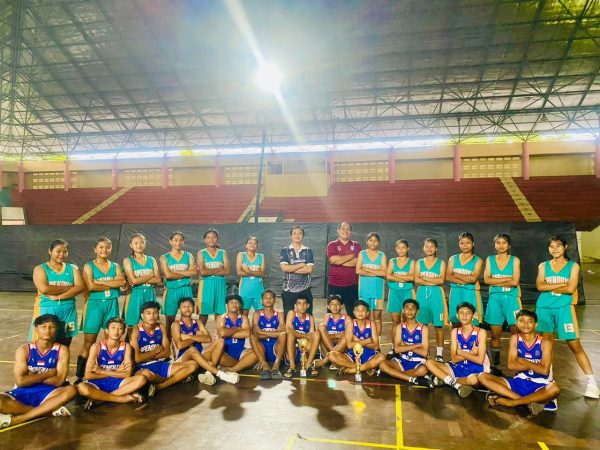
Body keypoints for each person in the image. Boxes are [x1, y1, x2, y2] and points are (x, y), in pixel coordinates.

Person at [535, 235, 599, 399]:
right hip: (544, 307)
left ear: (565, 247)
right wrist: (562, 284)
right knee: (546, 344)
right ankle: (547, 378)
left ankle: (592, 383)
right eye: (552, 246)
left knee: (574, 344)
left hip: (564, 308)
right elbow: (539, 286)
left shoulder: (573, 266)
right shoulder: (543, 265)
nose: (555, 249)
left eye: (558, 246)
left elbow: (571, 289)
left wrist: (550, 286)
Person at [0, 314, 76, 429]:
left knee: (72, 390)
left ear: (56, 329)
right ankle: (48, 411)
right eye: (43, 326)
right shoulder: (24, 350)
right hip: (23, 391)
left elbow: (59, 381)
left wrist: (31, 377)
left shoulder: (62, 350)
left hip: (49, 393)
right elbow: (21, 382)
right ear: (36, 329)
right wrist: (49, 373)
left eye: (52, 327)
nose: (47, 330)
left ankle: (19, 418)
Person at [478, 310, 560, 416]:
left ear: (536, 324)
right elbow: (511, 365)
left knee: (555, 389)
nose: (525, 324)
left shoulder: (545, 343)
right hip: (520, 381)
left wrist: (522, 360)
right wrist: (535, 366)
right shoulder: (515, 338)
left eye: (529, 321)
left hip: (541, 384)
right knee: (482, 376)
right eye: (521, 321)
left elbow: (544, 371)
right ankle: (526, 402)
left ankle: (511, 402)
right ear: (516, 323)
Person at [76, 237, 126, 383]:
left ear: (111, 249)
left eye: (107, 247)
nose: (104, 250)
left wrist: (100, 281)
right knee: (89, 342)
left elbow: (122, 282)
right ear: (95, 249)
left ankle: (107, 372)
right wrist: (112, 283)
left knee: (111, 340)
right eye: (101, 247)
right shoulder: (89, 266)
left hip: (112, 304)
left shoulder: (115, 266)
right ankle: (80, 375)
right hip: (94, 305)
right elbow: (91, 286)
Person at [77, 317, 147, 409]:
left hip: (117, 382)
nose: (116, 331)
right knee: (81, 387)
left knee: (142, 379)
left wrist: (101, 371)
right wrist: (116, 372)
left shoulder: (126, 347)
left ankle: (100, 399)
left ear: (123, 332)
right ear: (107, 331)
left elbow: (127, 374)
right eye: (113, 328)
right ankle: (121, 399)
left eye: (120, 328)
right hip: (97, 383)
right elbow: (88, 375)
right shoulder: (96, 347)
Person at [130, 302, 197, 396]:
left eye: (155, 313)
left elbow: (167, 352)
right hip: (143, 367)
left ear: (158, 315)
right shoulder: (135, 330)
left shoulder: (160, 327)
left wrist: (147, 356)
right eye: (148, 313)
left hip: (161, 364)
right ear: (142, 315)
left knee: (193, 365)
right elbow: (137, 359)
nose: (152, 316)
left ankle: (160, 386)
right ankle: (175, 380)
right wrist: (155, 351)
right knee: (146, 374)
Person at [425, 302, 490, 398]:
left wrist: (460, 352)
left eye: (468, 313)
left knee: (473, 380)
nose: (464, 315)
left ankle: (446, 380)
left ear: (473, 316)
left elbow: (479, 360)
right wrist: (471, 353)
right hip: (459, 367)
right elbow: (454, 359)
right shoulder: (455, 332)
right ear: (457, 316)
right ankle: (455, 384)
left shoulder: (481, 332)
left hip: (477, 369)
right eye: (461, 313)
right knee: (429, 362)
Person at [171, 297, 239, 385]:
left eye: (189, 306)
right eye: (184, 306)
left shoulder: (198, 322)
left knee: (220, 341)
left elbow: (208, 339)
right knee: (194, 351)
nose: (187, 308)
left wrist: (189, 337)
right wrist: (199, 337)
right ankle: (218, 372)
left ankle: (208, 373)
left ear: (193, 308)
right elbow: (180, 345)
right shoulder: (176, 324)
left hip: (201, 355)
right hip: (185, 358)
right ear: (179, 308)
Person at [31, 239, 84, 347]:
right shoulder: (40, 269)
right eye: (58, 251)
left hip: (68, 312)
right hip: (47, 309)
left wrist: (59, 296)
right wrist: (69, 287)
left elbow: (80, 287)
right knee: (45, 343)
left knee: (65, 343)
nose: (62, 254)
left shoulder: (72, 268)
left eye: (65, 251)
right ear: (50, 251)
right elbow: (44, 289)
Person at [484, 233, 521, 373]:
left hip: (511, 298)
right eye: (498, 242)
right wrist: (507, 280)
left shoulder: (515, 260)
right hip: (495, 299)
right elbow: (487, 280)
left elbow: (515, 282)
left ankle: (519, 363)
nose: (501, 245)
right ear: (495, 245)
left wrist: (495, 281)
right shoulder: (490, 259)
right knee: (495, 334)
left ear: (509, 245)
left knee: (517, 333)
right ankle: (495, 365)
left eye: (504, 242)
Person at [379, 299, 429, 386]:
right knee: (382, 364)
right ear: (403, 310)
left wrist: (405, 345)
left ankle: (395, 375)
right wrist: (416, 345)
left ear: (417, 311)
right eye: (407, 308)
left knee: (423, 370)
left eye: (413, 308)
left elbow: (424, 353)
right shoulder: (400, 327)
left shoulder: (423, 328)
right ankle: (411, 378)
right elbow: (397, 349)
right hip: (402, 361)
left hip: (417, 362)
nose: (410, 311)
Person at [328, 300, 385, 376]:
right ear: (354, 313)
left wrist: (357, 341)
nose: (360, 312)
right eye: (357, 310)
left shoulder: (371, 324)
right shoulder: (351, 323)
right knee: (332, 355)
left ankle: (350, 370)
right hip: (352, 355)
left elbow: (376, 346)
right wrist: (367, 341)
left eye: (363, 310)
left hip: (368, 354)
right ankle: (363, 368)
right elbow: (349, 345)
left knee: (381, 357)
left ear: (367, 313)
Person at [160, 231, 197, 340]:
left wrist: (175, 272)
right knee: (170, 320)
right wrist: (185, 272)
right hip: (172, 290)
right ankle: (168, 344)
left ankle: (186, 342)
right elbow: (168, 275)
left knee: (187, 318)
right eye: (175, 240)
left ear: (183, 242)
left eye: (181, 240)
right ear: (170, 241)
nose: (178, 242)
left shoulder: (188, 255)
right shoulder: (164, 257)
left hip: (186, 289)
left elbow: (193, 272)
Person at [415, 238, 447, 362]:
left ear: (436, 248)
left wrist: (424, 279)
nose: (429, 249)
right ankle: (425, 352)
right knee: (422, 326)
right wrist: (434, 280)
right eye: (426, 246)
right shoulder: (419, 263)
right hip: (422, 295)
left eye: (431, 246)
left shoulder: (441, 263)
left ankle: (439, 354)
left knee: (439, 326)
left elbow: (441, 280)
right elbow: (416, 280)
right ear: (423, 248)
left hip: (437, 295)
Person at [209, 294, 255, 376]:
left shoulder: (243, 318)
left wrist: (227, 332)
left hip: (240, 351)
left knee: (257, 353)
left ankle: (232, 369)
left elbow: (247, 333)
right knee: (217, 357)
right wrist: (238, 329)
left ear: (240, 305)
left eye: (236, 302)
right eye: (231, 302)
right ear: (226, 305)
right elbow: (222, 333)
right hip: (225, 352)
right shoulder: (221, 317)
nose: (234, 304)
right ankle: (243, 365)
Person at [122, 233, 161, 329]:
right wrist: (151, 275)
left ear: (145, 243)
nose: (139, 245)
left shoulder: (152, 259)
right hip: (134, 294)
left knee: (151, 324)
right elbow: (133, 281)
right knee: (131, 325)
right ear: (131, 245)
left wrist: (139, 279)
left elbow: (158, 279)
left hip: (150, 293)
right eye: (136, 243)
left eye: (141, 242)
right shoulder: (127, 260)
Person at [446, 232, 484, 327]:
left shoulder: (478, 260)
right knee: (455, 323)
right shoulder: (453, 258)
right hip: (455, 293)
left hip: (471, 294)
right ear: (459, 244)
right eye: (462, 243)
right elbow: (448, 276)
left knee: (472, 324)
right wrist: (466, 280)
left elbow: (473, 279)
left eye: (468, 243)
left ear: (473, 244)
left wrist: (455, 274)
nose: (465, 245)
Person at [327, 222, 361, 318]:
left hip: (352, 285)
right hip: (335, 285)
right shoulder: (332, 244)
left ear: (351, 231)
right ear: (338, 230)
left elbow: (357, 262)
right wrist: (351, 256)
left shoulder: (356, 245)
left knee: (354, 314)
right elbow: (333, 260)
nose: (345, 231)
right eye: (343, 228)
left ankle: (353, 328)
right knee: (332, 314)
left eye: (348, 229)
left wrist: (340, 261)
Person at [250, 289, 286, 380]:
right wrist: (275, 333)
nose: (268, 299)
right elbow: (255, 334)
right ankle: (265, 366)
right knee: (253, 337)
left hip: (276, 348)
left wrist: (261, 332)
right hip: (261, 350)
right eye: (266, 298)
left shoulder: (280, 314)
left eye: (271, 297)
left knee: (283, 335)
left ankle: (276, 366)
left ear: (274, 300)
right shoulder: (257, 314)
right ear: (262, 301)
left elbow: (281, 333)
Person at [356, 232, 387, 338]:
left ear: (378, 242)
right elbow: (358, 270)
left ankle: (377, 342)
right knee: (365, 317)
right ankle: (366, 339)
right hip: (364, 291)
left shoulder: (382, 255)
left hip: (377, 292)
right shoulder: (362, 254)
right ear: (367, 242)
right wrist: (376, 272)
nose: (373, 243)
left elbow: (384, 273)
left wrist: (367, 270)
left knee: (377, 318)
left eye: (375, 241)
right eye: (371, 240)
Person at [197, 228, 230, 325]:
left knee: (219, 313)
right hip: (206, 285)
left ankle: (220, 334)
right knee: (203, 313)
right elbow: (203, 272)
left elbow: (227, 270)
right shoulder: (201, 253)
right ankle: (200, 333)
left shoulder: (223, 252)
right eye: (208, 237)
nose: (211, 239)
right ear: (205, 239)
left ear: (217, 239)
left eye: (214, 237)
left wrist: (209, 271)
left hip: (220, 284)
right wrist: (219, 269)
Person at [279, 226, 315, 315]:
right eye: (294, 233)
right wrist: (301, 265)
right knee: (289, 317)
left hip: (305, 290)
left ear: (303, 236)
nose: (297, 235)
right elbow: (284, 268)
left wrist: (290, 268)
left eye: (300, 233)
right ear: (291, 236)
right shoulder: (285, 250)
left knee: (307, 317)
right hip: (289, 291)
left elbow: (309, 269)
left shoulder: (308, 251)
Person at [284, 296, 320, 379]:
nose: (302, 306)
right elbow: (288, 331)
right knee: (290, 335)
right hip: (293, 350)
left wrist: (296, 333)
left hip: (306, 349)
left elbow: (311, 336)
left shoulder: (310, 317)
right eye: (299, 303)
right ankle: (292, 366)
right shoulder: (292, 313)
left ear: (308, 305)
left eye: (304, 303)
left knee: (317, 334)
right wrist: (305, 335)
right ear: (295, 305)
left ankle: (308, 364)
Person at [386, 239, 415, 343]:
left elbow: (412, 277)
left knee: (407, 321)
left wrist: (395, 276)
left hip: (407, 292)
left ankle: (406, 344)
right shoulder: (392, 261)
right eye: (398, 247)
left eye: (403, 247)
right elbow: (388, 276)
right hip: (394, 293)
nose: (401, 250)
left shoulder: (412, 262)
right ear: (395, 249)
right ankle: (394, 347)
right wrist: (404, 278)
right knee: (395, 322)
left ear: (407, 249)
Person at [314, 294, 347, 369]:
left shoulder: (346, 318)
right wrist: (336, 336)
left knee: (346, 337)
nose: (335, 306)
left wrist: (331, 336)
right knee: (321, 326)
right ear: (328, 307)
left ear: (341, 306)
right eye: (332, 304)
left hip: (340, 352)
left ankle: (327, 360)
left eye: (337, 304)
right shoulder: (327, 316)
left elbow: (345, 338)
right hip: (326, 351)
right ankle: (333, 359)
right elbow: (323, 335)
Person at [237, 236, 265, 315]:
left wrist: (248, 270)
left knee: (260, 314)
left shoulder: (261, 256)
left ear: (257, 246)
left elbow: (262, 273)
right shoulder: (241, 255)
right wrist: (256, 273)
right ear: (246, 245)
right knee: (243, 315)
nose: (252, 245)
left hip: (258, 289)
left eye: (254, 243)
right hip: (245, 289)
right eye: (250, 243)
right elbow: (239, 272)